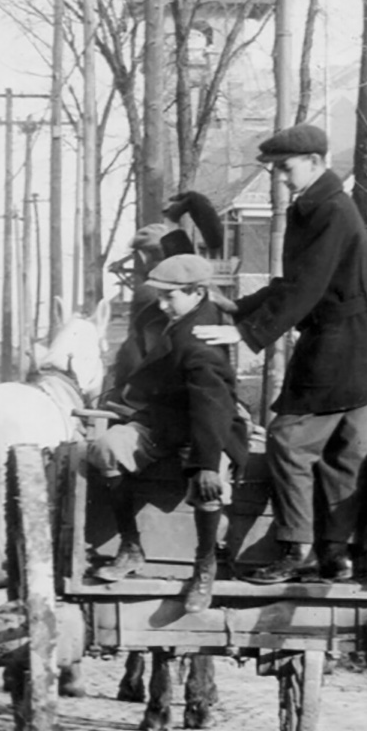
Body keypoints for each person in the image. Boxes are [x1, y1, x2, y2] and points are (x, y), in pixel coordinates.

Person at [196, 123, 367, 584]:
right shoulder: (322, 207)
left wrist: (247, 335)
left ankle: (297, 548)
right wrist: (241, 306)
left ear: (314, 161)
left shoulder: (327, 211)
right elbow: (293, 282)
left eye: (285, 168)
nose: (282, 178)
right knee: (341, 455)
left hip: (338, 351)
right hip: (359, 351)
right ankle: (335, 557)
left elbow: (307, 287)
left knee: (287, 440)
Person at [85, 254, 248, 613]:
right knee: (106, 448)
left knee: (211, 484)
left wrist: (206, 463)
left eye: (170, 296)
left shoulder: (201, 337)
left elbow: (211, 405)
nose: (161, 303)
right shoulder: (178, 317)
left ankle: (205, 565)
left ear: (197, 292)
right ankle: (131, 546)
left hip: (209, 429)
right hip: (163, 423)